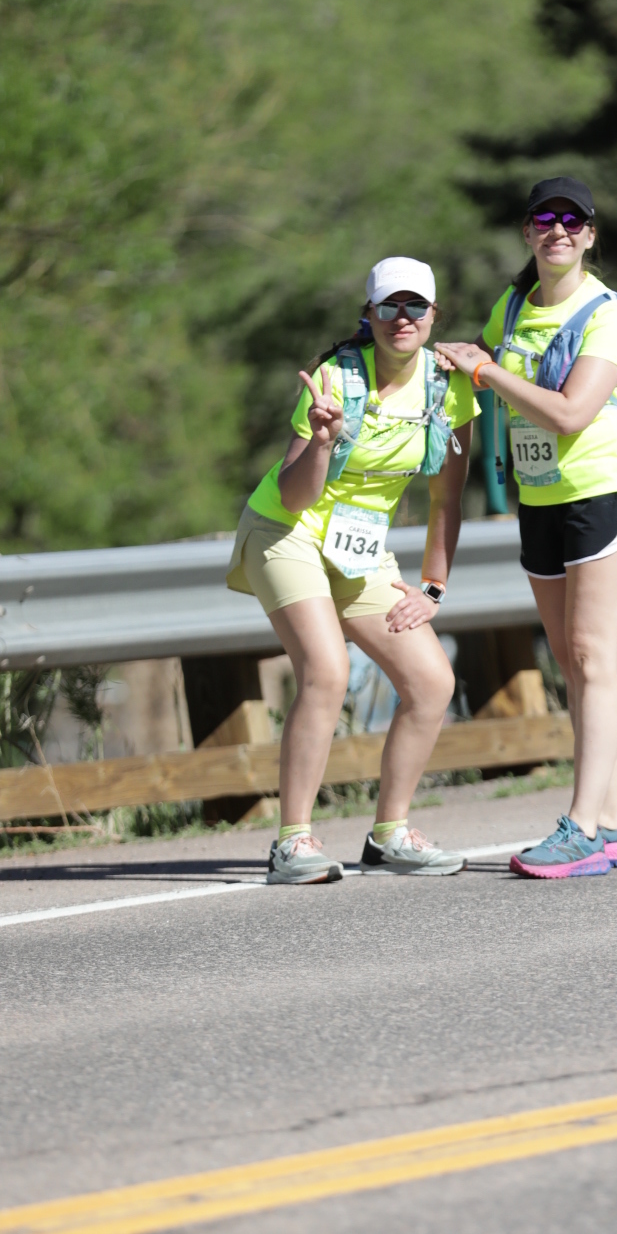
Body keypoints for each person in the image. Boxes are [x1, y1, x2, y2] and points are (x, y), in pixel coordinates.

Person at [227, 257, 475, 884]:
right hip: (286, 531)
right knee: (328, 669)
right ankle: (293, 842)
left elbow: (447, 499)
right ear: (369, 314)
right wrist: (323, 441)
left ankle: (390, 834)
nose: (402, 318)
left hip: (359, 549)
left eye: (415, 306)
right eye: (389, 305)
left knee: (431, 682)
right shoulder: (334, 378)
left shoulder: (450, 388)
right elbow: (294, 498)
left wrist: (433, 588)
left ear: (434, 316)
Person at [435, 177, 617, 878]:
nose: (558, 230)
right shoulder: (513, 305)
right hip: (540, 496)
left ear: (590, 236)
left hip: (600, 492)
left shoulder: (608, 315)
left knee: (591, 655)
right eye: (544, 219)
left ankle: (580, 827)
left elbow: (569, 413)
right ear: (527, 233)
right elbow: (476, 361)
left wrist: (486, 373)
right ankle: (612, 821)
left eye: (572, 221)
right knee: (571, 660)